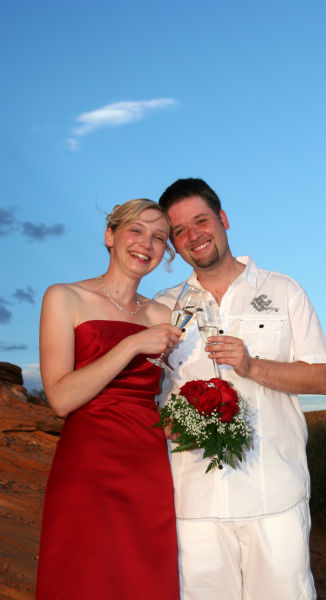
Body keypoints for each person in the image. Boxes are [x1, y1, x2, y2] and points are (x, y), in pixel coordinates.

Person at [155, 178, 326, 600]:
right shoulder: (163, 307)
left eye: (201, 220)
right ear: (173, 244)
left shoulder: (283, 290)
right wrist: (165, 422)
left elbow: (322, 378)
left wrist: (252, 366)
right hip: (193, 503)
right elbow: (148, 395)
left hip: (274, 495)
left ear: (223, 219)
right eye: (179, 230)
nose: (193, 235)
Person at [36, 199, 181, 600]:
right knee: (84, 576)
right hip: (88, 463)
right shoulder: (64, 297)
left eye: (159, 238)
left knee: (144, 578)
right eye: (136, 230)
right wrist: (132, 344)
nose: (146, 244)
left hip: (147, 465)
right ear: (109, 236)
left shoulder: (163, 315)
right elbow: (60, 398)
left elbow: (171, 392)